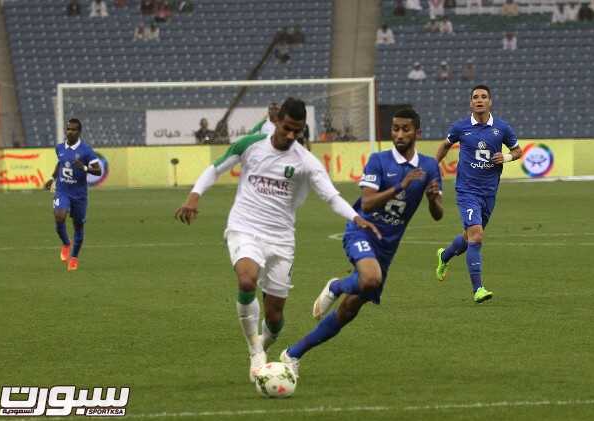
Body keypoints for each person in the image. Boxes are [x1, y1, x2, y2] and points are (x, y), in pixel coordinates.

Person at [174, 98, 380, 383]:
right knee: (246, 280)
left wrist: (355, 217)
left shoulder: (306, 162)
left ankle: (265, 342)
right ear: (277, 121)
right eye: (287, 128)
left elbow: (331, 196)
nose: (292, 135)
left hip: (281, 239)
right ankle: (256, 351)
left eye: (298, 130)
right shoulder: (251, 145)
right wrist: (194, 196)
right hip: (245, 227)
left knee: (274, 317)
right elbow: (216, 168)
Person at [279, 108, 443, 375]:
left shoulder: (429, 167)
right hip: (362, 231)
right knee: (369, 278)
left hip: (387, 247)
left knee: (347, 311)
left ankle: (292, 353)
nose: (399, 134)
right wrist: (400, 186)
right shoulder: (379, 160)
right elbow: (367, 202)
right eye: (395, 129)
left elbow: (438, 215)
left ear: (418, 133)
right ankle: (336, 285)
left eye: (405, 129)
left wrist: (433, 198)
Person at [434, 85, 522, 303]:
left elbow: (518, 151)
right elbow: (445, 145)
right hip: (466, 191)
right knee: (477, 236)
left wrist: (507, 158)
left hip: (489, 193)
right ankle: (478, 289)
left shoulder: (502, 128)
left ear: (490, 101)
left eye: (484, 97)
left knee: (469, 237)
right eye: (475, 97)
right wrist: (432, 167)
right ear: (471, 103)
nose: (479, 100)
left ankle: (444, 255)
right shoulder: (460, 127)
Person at [44, 119, 102, 272]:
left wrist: (84, 167)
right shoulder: (59, 147)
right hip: (63, 191)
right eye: (68, 129)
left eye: (73, 130)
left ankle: (74, 257)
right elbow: (60, 163)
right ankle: (66, 243)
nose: (70, 132)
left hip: (79, 195)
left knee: (78, 226)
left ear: (79, 132)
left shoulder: (86, 150)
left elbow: (98, 171)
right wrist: (53, 178)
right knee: (59, 216)